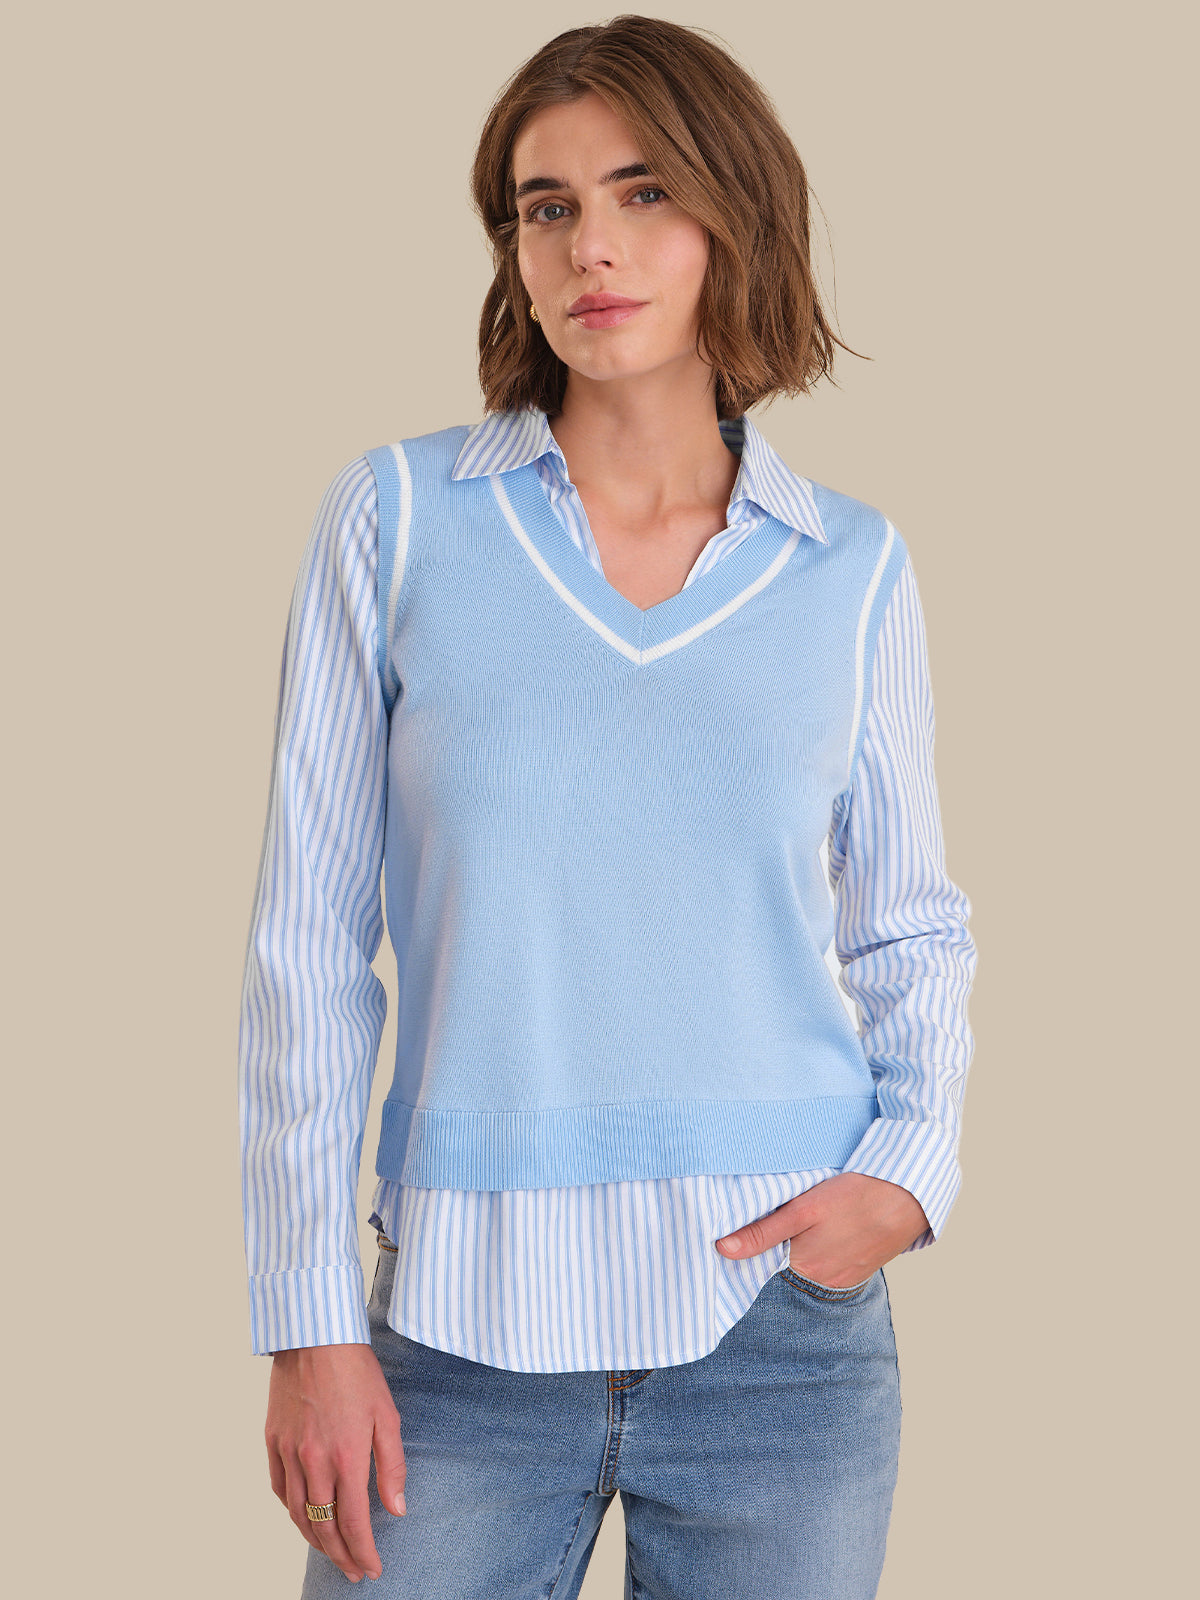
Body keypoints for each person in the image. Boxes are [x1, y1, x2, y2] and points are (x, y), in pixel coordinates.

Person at [238, 15, 977, 1599]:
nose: (592, 247)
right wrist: (307, 1318)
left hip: (783, 1339)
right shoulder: (396, 521)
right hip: (453, 1338)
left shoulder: (851, 568)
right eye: (548, 206)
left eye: (644, 194)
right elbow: (308, 942)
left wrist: (911, 1172)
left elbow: (911, 922)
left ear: (733, 219)